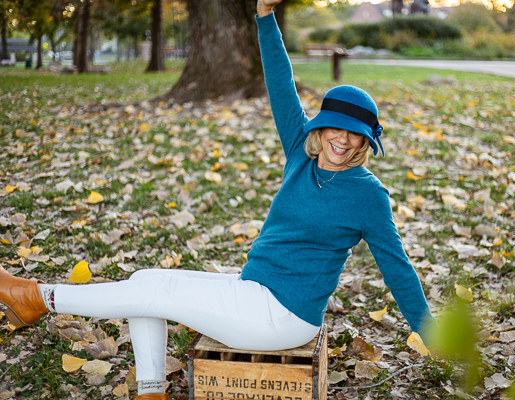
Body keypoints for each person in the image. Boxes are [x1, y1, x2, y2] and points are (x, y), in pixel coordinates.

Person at [0, 1, 436, 399]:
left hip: (284, 317)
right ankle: (151, 391)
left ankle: (37, 296)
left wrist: (431, 333)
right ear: (320, 128)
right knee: (144, 279)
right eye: (335, 127)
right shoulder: (301, 153)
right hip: (253, 291)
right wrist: (264, 17)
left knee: (151, 292)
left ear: (366, 142)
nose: (342, 139)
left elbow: (397, 267)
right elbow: (280, 83)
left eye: (355, 134)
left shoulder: (367, 194)